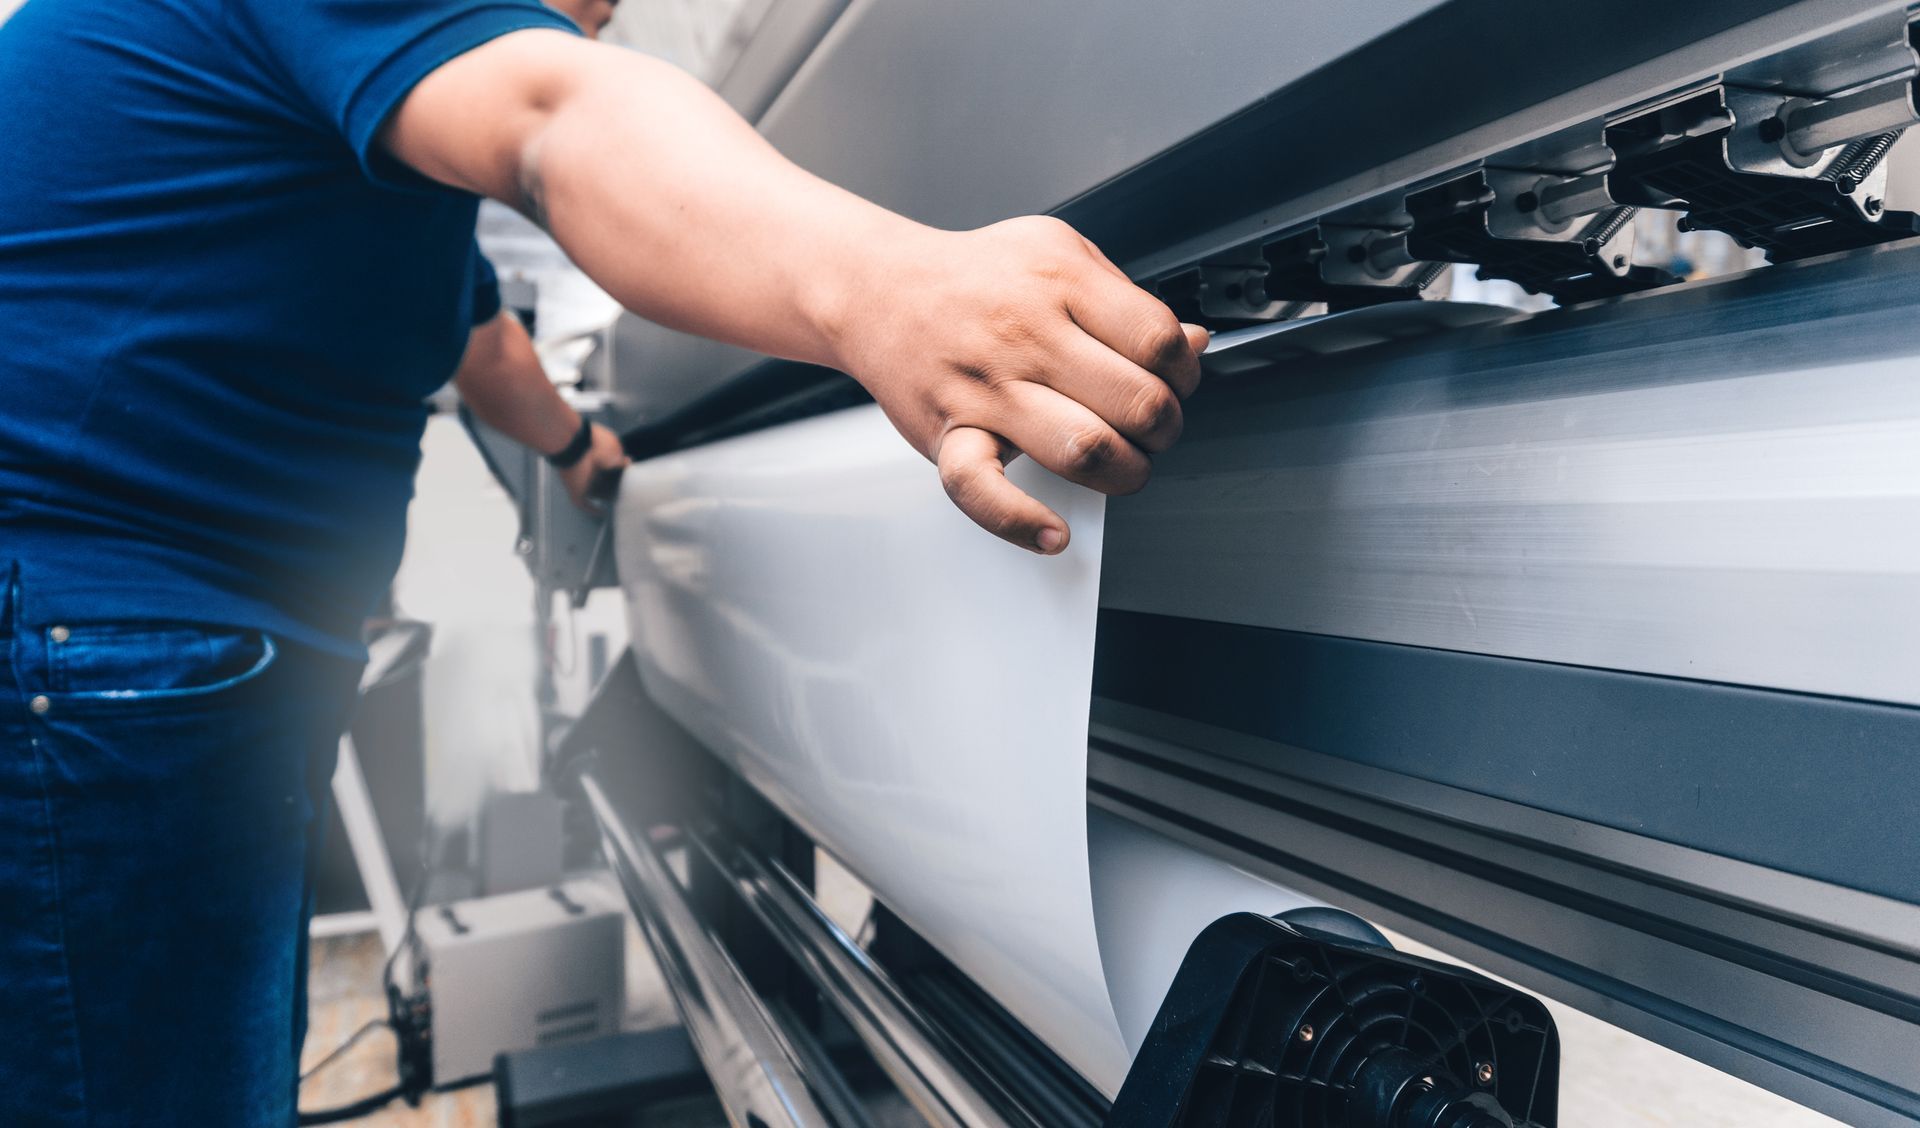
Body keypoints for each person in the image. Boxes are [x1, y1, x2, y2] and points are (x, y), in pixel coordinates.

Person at [0, 0, 1208, 1123]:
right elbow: (557, 114)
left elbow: (482, 341)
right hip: (104, 642)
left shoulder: (372, 148)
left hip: (145, 655)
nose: (605, 13)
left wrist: (586, 454)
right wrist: (886, 286)